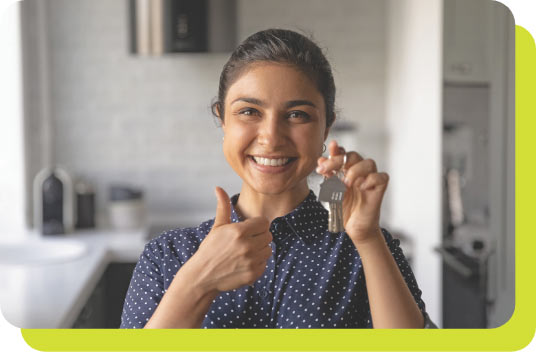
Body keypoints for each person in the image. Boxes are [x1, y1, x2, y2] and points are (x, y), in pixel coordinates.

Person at [120, 28, 436, 329]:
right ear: (223, 120)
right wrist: (198, 281)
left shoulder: (364, 248)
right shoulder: (166, 256)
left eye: (297, 114)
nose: (271, 138)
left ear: (326, 128)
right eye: (249, 111)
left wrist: (367, 240)